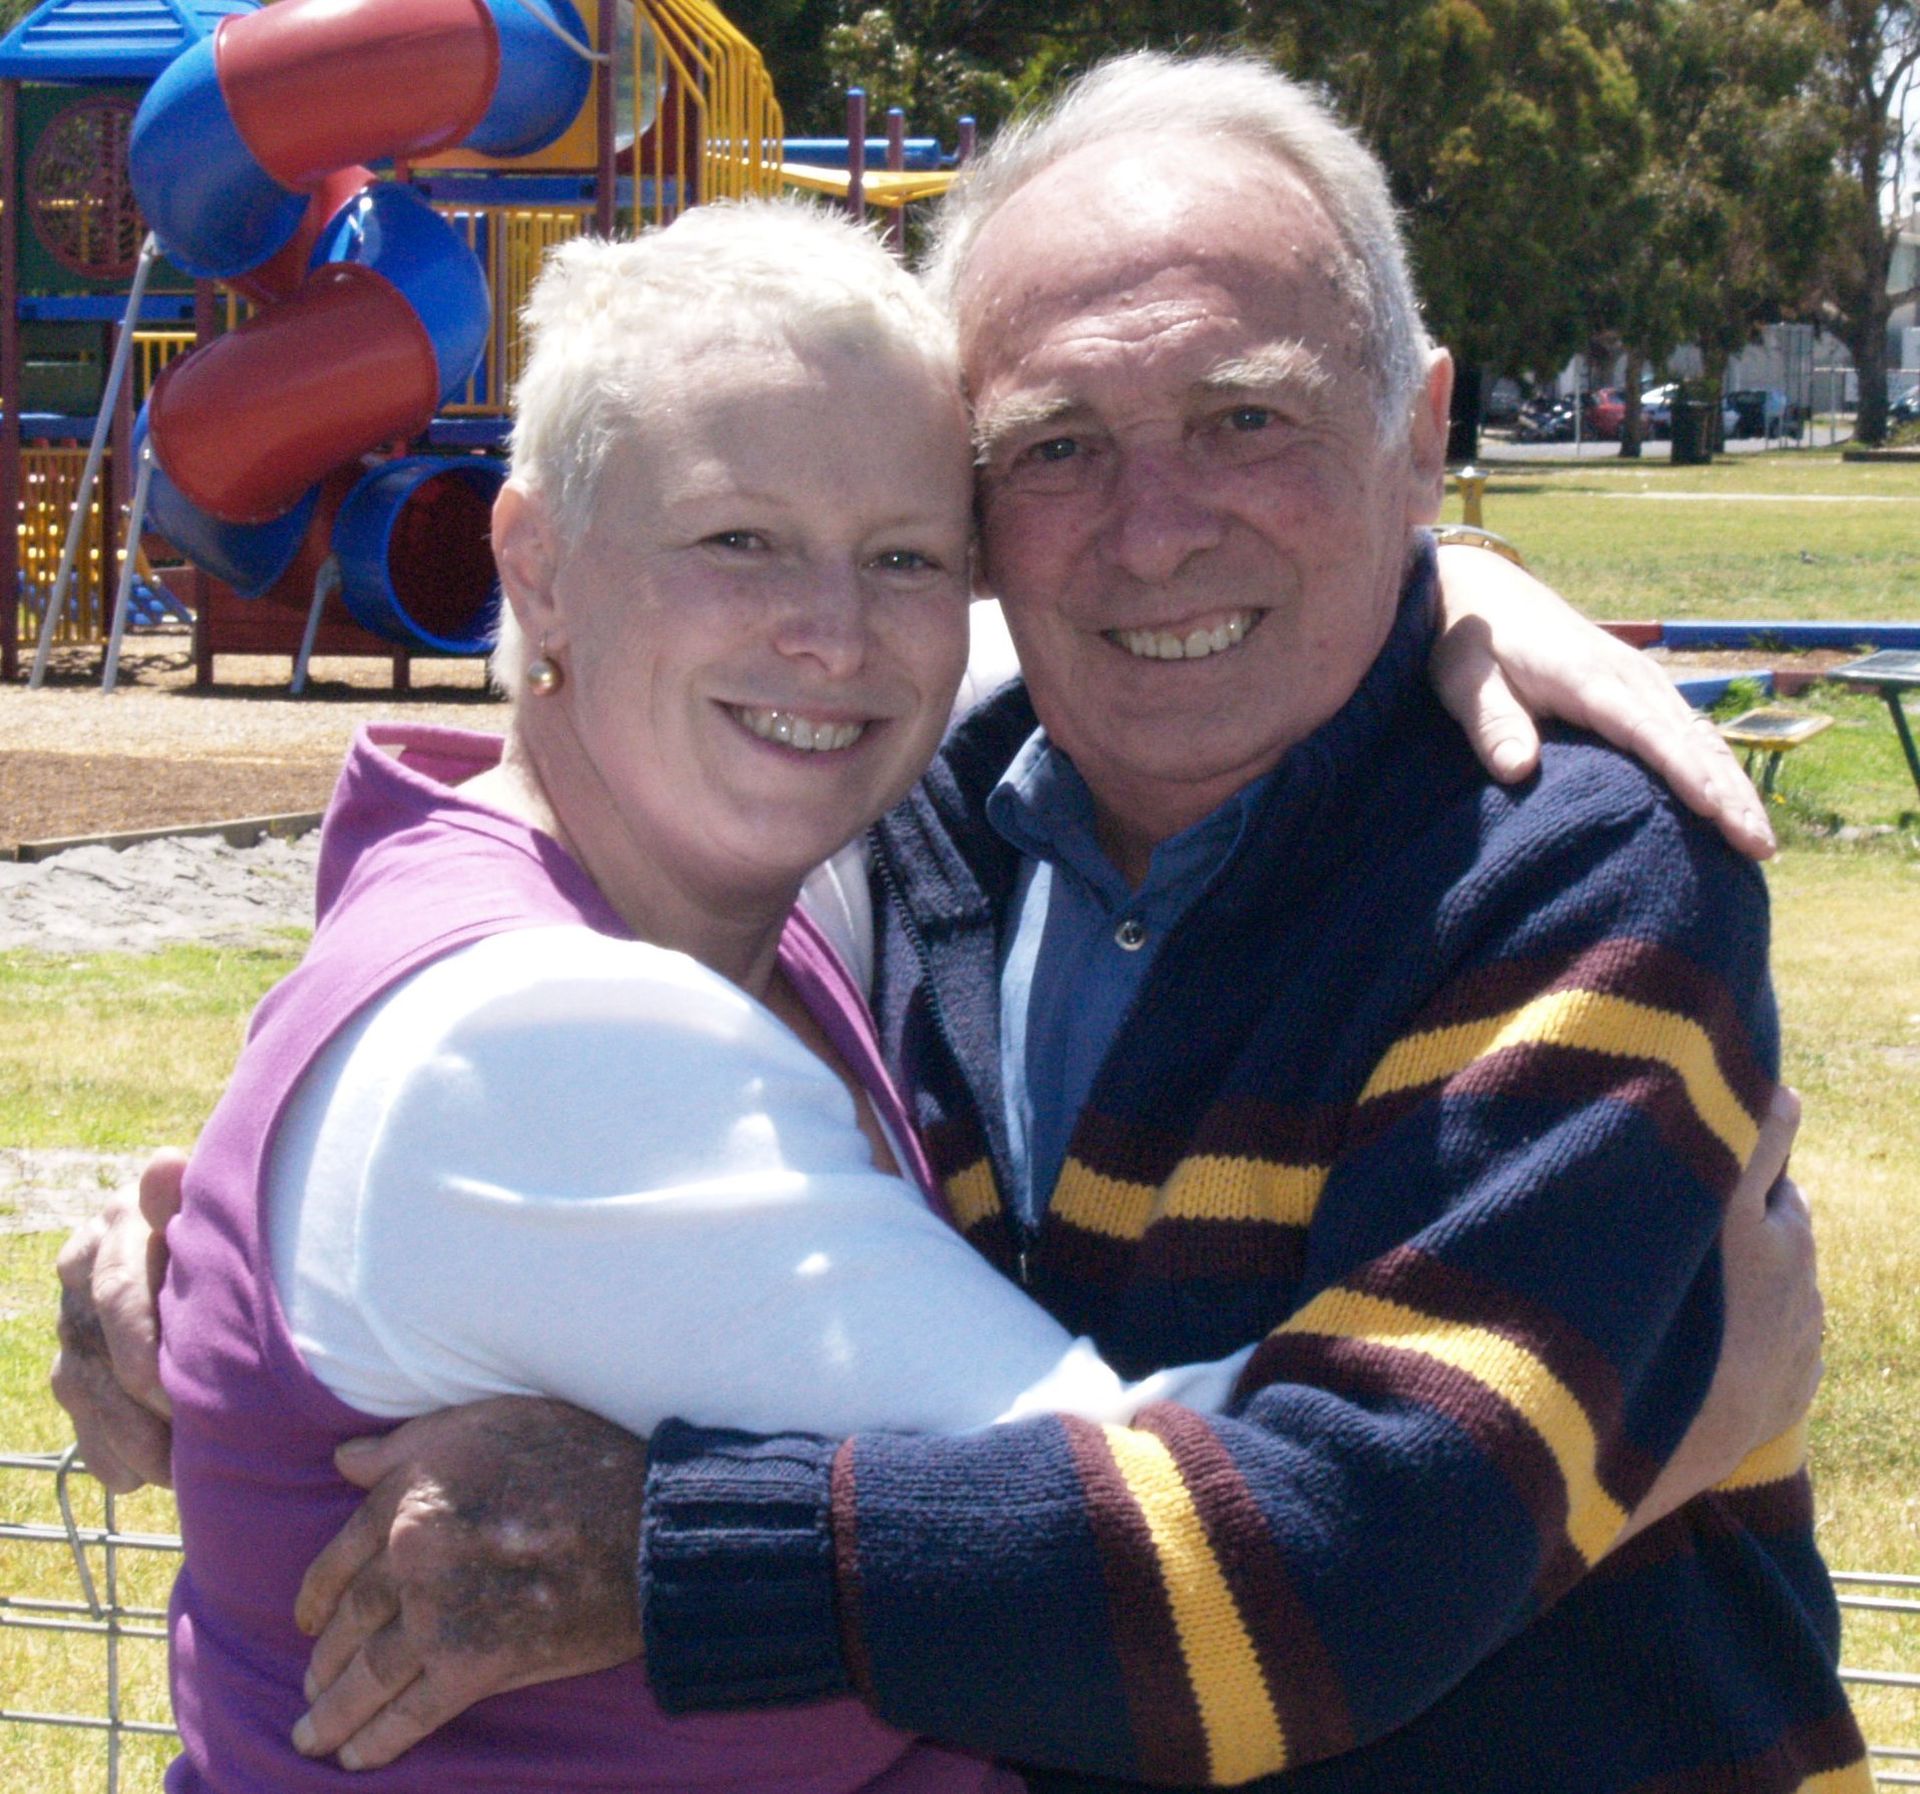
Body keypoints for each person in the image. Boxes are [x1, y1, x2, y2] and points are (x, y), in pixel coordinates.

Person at [51, 60, 1830, 1792]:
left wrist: (665, 1546)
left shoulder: (1571, 866)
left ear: (1419, 430)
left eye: (1251, 418)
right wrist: (231, 1223)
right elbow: (508, 1052)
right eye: (1057, 445)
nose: (1151, 532)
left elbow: (1344, 1577)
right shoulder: (907, 825)